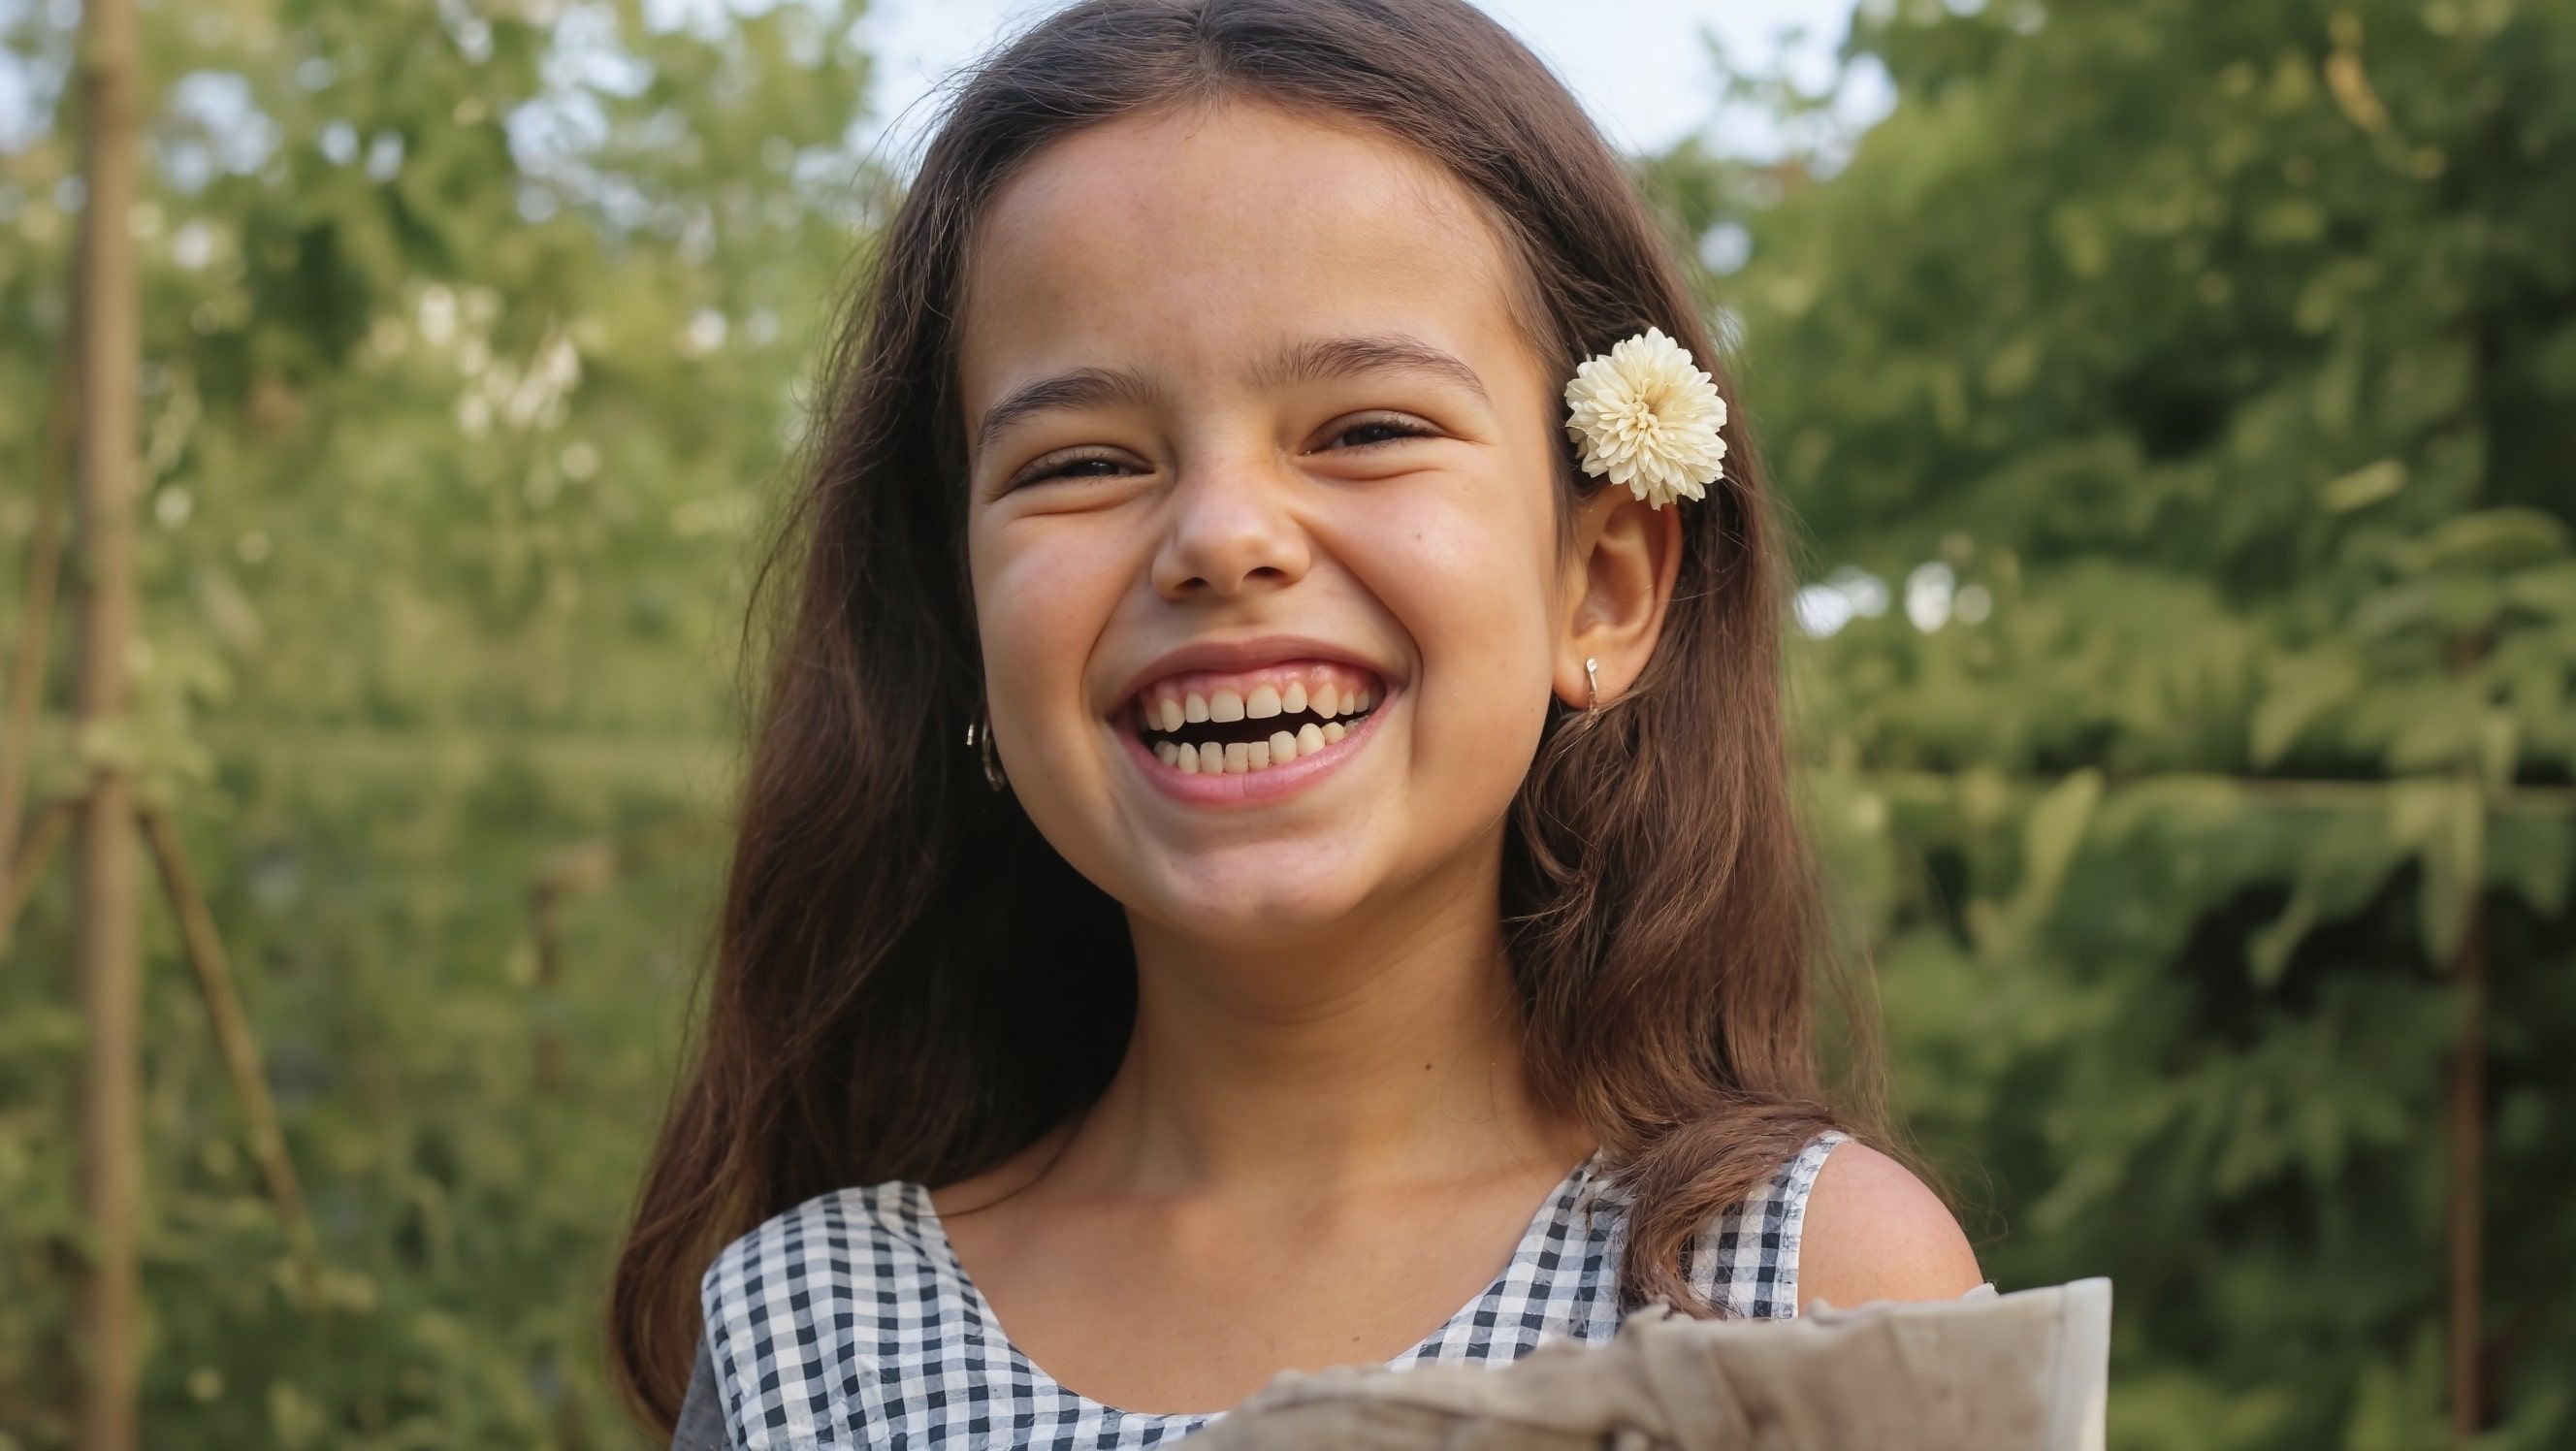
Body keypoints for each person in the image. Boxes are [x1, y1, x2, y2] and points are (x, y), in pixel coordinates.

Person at [608, 1, 1986, 1445]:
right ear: (962, 633)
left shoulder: (1810, 1293)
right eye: (1081, 462)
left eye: (1366, 429)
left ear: (1604, 583)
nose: (1223, 536)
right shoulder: (806, 1345)